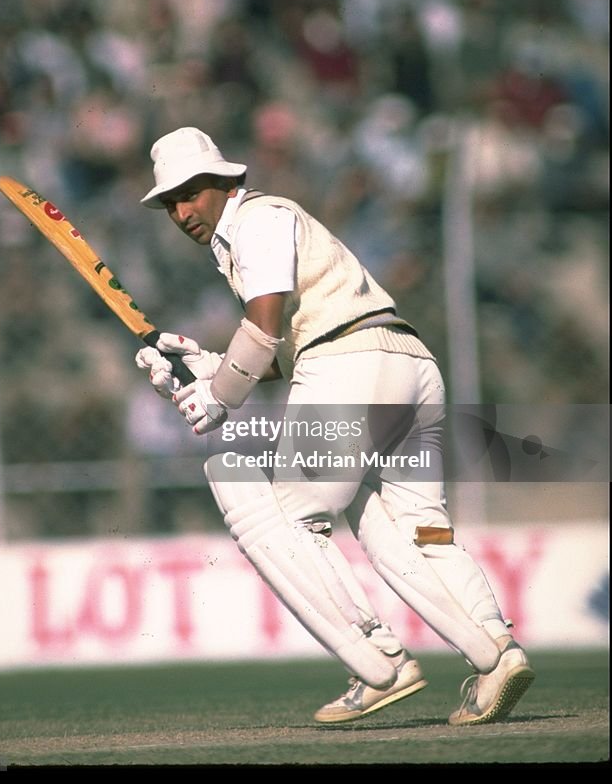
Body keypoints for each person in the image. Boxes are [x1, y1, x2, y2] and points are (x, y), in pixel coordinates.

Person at [134, 126, 535, 726]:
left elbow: (266, 327)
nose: (183, 210)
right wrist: (210, 366)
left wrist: (218, 398)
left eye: (191, 192)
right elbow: (275, 349)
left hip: (348, 368)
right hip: (406, 366)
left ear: (224, 181)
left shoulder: (256, 220)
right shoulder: (257, 230)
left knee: (293, 516)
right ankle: (498, 653)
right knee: (413, 528)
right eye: (171, 202)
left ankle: (379, 659)